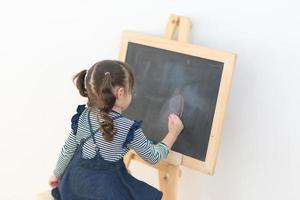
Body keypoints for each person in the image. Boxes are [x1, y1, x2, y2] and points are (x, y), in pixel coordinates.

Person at [49, 60, 184, 200]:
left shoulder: (83, 115)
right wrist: (172, 134)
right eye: (130, 90)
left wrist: (56, 174)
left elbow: (67, 150)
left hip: (73, 188)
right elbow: (153, 157)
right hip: (105, 193)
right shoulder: (128, 128)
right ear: (120, 93)